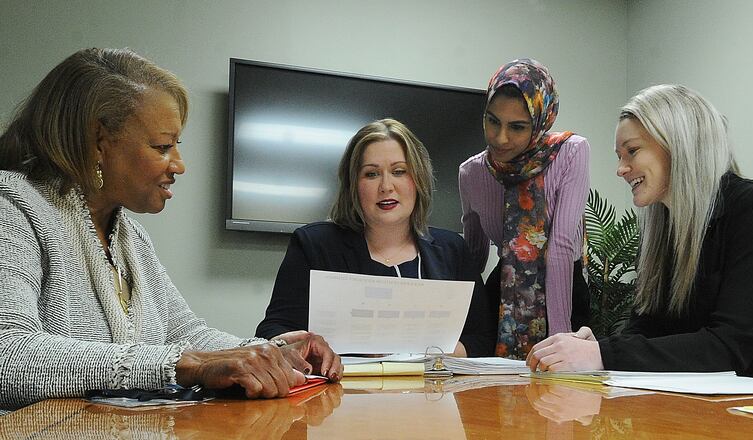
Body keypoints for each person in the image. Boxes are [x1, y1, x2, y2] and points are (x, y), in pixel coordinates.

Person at [0, 48, 342, 413]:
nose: (179, 165)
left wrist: (273, 352)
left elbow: (186, 335)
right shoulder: (13, 206)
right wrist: (185, 365)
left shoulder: (130, 235)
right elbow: (8, 355)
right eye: (162, 147)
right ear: (98, 141)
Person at [526, 84, 753, 378]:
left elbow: (728, 348)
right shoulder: (663, 228)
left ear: (679, 143)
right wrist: (597, 348)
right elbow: (647, 328)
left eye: (632, 151)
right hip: (690, 405)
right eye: (619, 155)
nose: (621, 169)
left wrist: (603, 354)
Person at [256, 118, 496, 357]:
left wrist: (435, 353)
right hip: (339, 391)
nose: (386, 186)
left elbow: (482, 339)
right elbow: (271, 331)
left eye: (399, 171)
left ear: (418, 180)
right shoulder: (314, 245)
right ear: (353, 185)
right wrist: (310, 348)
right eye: (371, 174)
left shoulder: (453, 249)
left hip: (433, 391)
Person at [459, 58, 591, 360]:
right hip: (503, 294)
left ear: (540, 122)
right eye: (492, 121)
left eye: (517, 127)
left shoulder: (570, 153)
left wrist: (560, 338)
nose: (500, 137)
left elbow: (559, 246)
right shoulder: (471, 172)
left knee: (562, 398)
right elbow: (474, 256)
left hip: (565, 291)